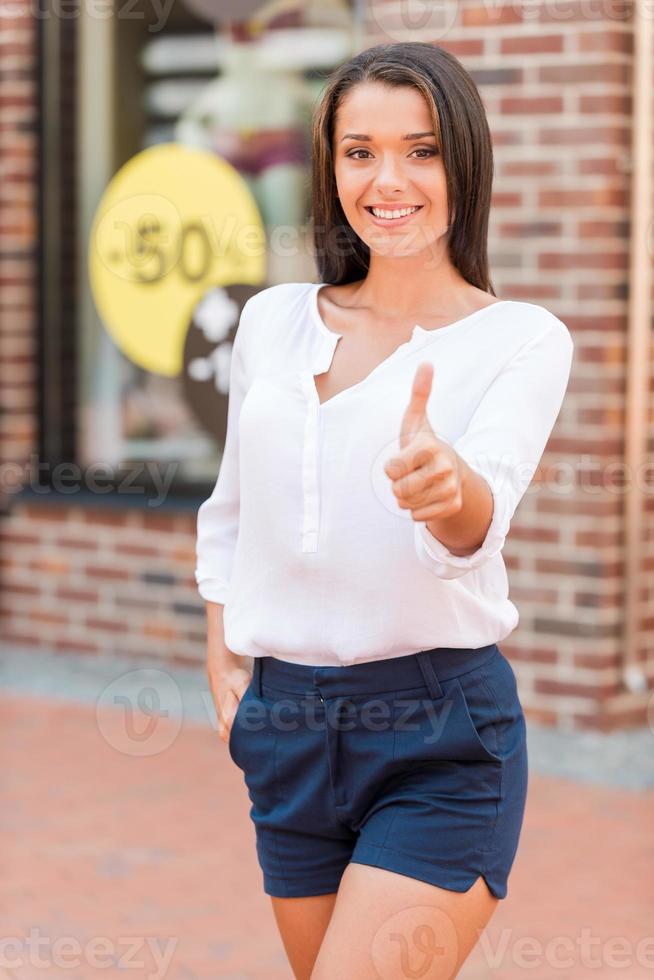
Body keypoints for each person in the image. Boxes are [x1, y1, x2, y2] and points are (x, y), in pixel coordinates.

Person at [195, 41, 574, 980]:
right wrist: (222, 649)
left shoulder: (521, 339)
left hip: (437, 732)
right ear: (331, 168)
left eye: (423, 149)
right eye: (359, 151)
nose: (387, 179)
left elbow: (479, 516)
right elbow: (232, 507)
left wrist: (445, 492)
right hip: (284, 728)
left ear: (466, 165)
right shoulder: (271, 321)